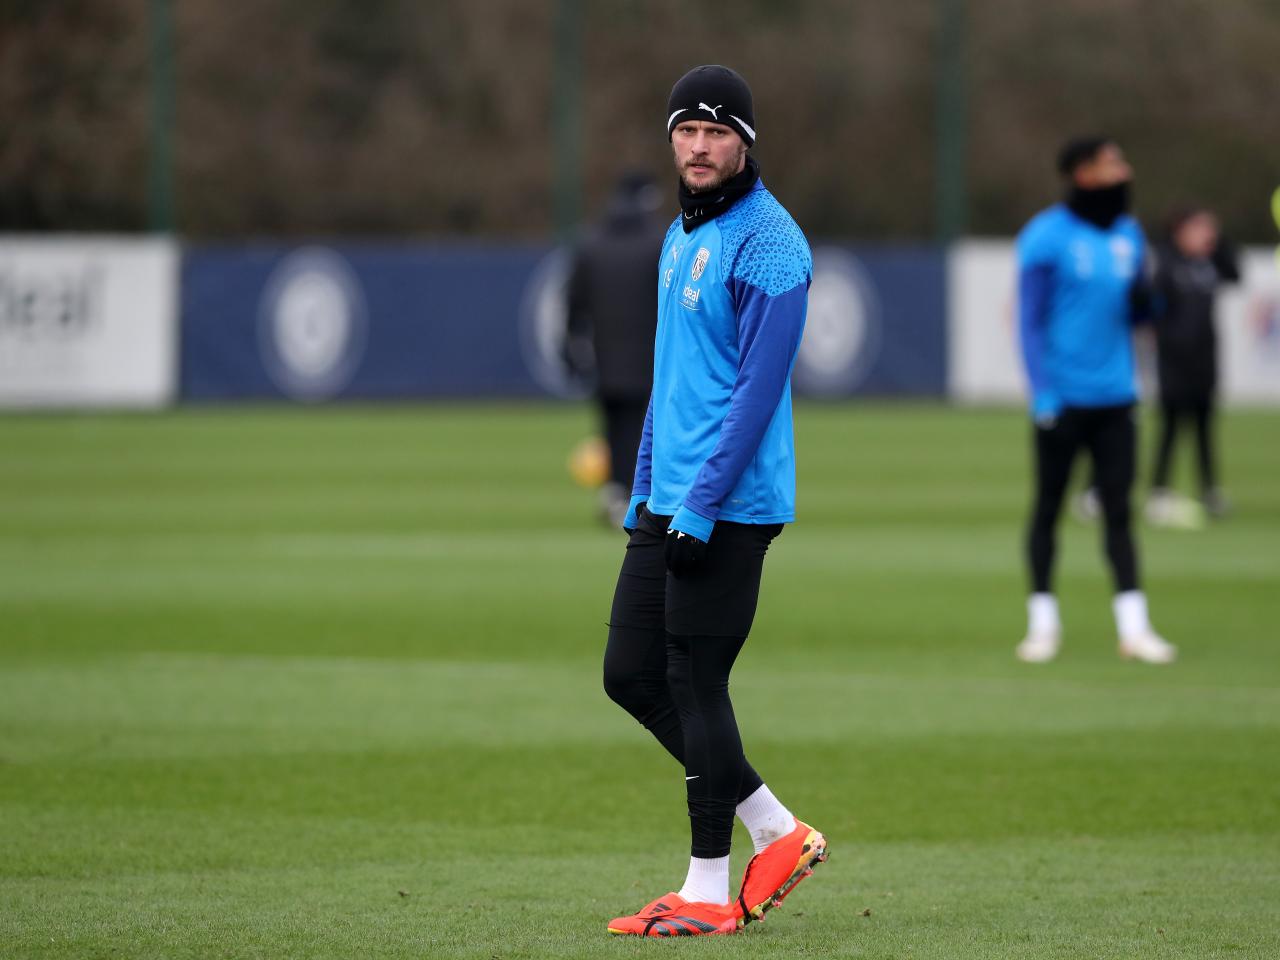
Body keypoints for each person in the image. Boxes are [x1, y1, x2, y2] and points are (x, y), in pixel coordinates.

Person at [601, 65, 825, 938]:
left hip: (731, 508)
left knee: (696, 683)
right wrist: (647, 488)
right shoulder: (680, 235)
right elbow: (672, 379)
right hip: (670, 497)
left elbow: (755, 394)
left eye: (715, 132)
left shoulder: (772, 243)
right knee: (630, 677)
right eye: (685, 132)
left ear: (745, 143)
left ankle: (704, 891)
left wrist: (696, 504)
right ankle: (776, 828)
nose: (697, 147)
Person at [1015, 136, 1176, 665]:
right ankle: (1043, 624)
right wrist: (1044, 395)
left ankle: (1135, 629)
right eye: (1112, 164)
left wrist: (1148, 302)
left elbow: (1140, 318)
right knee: (1048, 508)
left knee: (1119, 513)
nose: (1124, 172)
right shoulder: (1045, 236)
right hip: (1062, 400)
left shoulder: (1129, 234)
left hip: (1117, 398)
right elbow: (1030, 322)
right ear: (1082, 174)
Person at [565, 172, 667, 527]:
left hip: (605, 358)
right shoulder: (660, 244)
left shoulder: (591, 245)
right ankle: (641, 499)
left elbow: (573, 305)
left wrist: (569, 351)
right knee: (645, 429)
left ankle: (614, 494)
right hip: (649, 359)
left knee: (613, 427)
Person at [1147, 206, 1239, 520]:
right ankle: (1159, 491)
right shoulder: (1167, 264)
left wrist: (1219, 239)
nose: (1203, 235)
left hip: (1204, 360)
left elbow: (1235, 273)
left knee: (1204, 429)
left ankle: (1208, 489)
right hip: (1174, 363)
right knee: (1171, 428)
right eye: (1197, 228)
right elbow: (1153, 309)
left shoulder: (1209, 264)